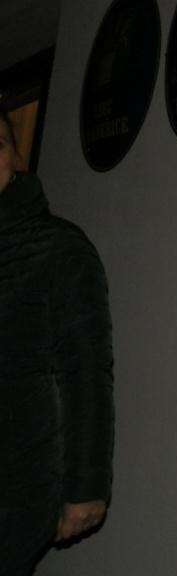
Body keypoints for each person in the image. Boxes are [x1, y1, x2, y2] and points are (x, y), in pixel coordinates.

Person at [0, 110, 114, 576]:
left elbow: (86, 369)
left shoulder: (59, 247)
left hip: (16, 483)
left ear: (15, 159)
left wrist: (85, 485)